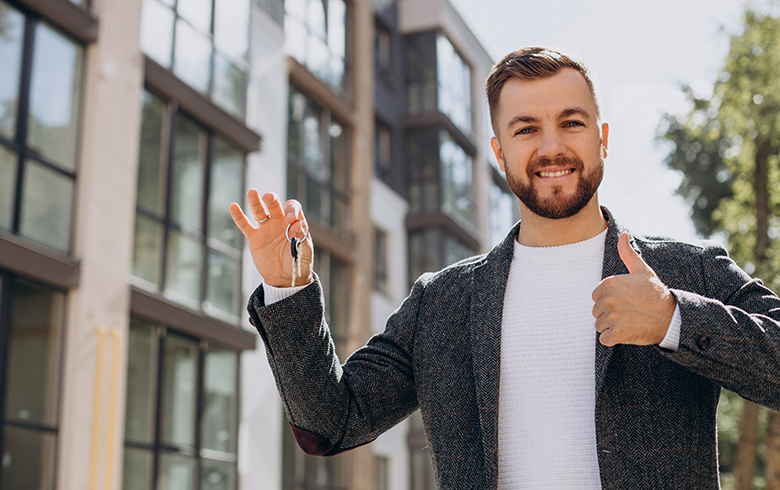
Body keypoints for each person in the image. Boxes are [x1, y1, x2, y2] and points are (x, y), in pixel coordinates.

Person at [229, 47, 780, 489]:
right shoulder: (441, 302)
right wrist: (286, 290)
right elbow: (333, 423)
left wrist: (674, 320)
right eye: (525, 129)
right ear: (498, 151)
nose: (551, 146)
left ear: (603, 140)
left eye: (571, 122)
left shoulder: (685, 274)